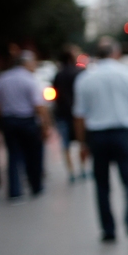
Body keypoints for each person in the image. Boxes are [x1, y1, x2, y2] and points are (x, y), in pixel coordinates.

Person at [73, 37, 128, 242]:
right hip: (123, 133)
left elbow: (79, 116)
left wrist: (82, 143)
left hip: (98, 136)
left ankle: (108, 230)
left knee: (102, 184)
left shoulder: (86, 78)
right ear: (116, 53)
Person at [0, 50, 49, 201]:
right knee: (33, 155)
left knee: (13, 156)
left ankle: (15, 191)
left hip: (9, 121)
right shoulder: (29, 80)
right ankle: (35, 186)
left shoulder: (2, 79)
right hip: (27, 121)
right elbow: (39, 106)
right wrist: (45, 126)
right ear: (26, 63)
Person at [52, 48, 89, 182]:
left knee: (65, 144)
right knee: (83, 142)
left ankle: (71, 172)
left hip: (63, 113)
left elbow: (54, 94)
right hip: (79, 114)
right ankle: (83, 168)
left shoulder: (58, 75)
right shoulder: (80, 72)